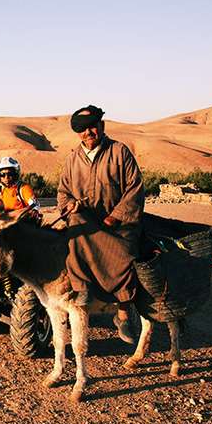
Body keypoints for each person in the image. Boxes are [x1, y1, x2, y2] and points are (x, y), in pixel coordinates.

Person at [57, 105, 145, 344]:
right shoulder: (72, 159)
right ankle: (82, 289)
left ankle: (124, 312)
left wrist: (115, 216)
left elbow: (135, 190)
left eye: (92, 126)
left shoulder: (119, 152)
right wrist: (70, 205)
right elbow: (63, 193)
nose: (89, 132)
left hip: (118, 225)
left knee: (125, 256)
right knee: (74, 228)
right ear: (78, 133)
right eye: (83, 130)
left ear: (102, 126)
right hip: (87, 224)